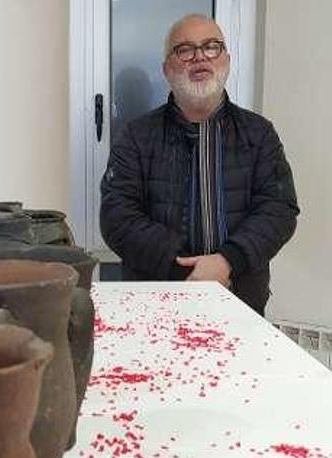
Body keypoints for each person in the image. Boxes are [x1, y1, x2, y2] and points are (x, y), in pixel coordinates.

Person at [100, 14, 300, 315]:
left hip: (241, 301)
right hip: (157, 303)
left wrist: (227, 262)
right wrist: (189, 272)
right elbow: (118, 218)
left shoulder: (259, 133)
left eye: (211, 47)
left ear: (227, 61)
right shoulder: (136, 136)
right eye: (185, 50)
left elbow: (279, 210)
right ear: (167, 69)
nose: (199, 58)